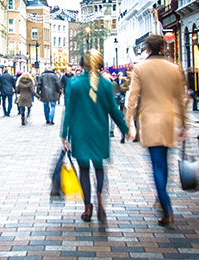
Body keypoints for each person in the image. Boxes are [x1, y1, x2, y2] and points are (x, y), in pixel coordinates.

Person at [61, 49, 130, 223]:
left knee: (84, 170)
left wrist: (64, 135)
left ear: (82, 65)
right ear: (100, 65)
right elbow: (113, 110)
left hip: (79, 132)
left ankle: (87, 207)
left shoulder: (74, 84)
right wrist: (125, 129)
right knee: (99, 168)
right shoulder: (106, 85)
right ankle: (99, 196)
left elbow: (69, 110)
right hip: (99, 131)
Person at [126, 35, 187, 227]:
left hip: (150, 121)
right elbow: (181, 98)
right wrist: (184, 124)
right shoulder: (174, 68)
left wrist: (130, 123)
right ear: (162, 47)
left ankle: (166, 207)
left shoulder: (140, 68)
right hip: (168, 120)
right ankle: (162, 199)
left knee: (157, 164)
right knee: (164, 163)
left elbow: (132, 98)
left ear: (147, 48)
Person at [101, 70, 119, 137]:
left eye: (105, 74)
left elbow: (116, 91)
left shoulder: (113, 83)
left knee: (112, 117)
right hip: (103, 103)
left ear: (109, 75)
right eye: (103, 75)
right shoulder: (100, 84)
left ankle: (112, 130)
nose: (104, 76)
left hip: (112, 102)